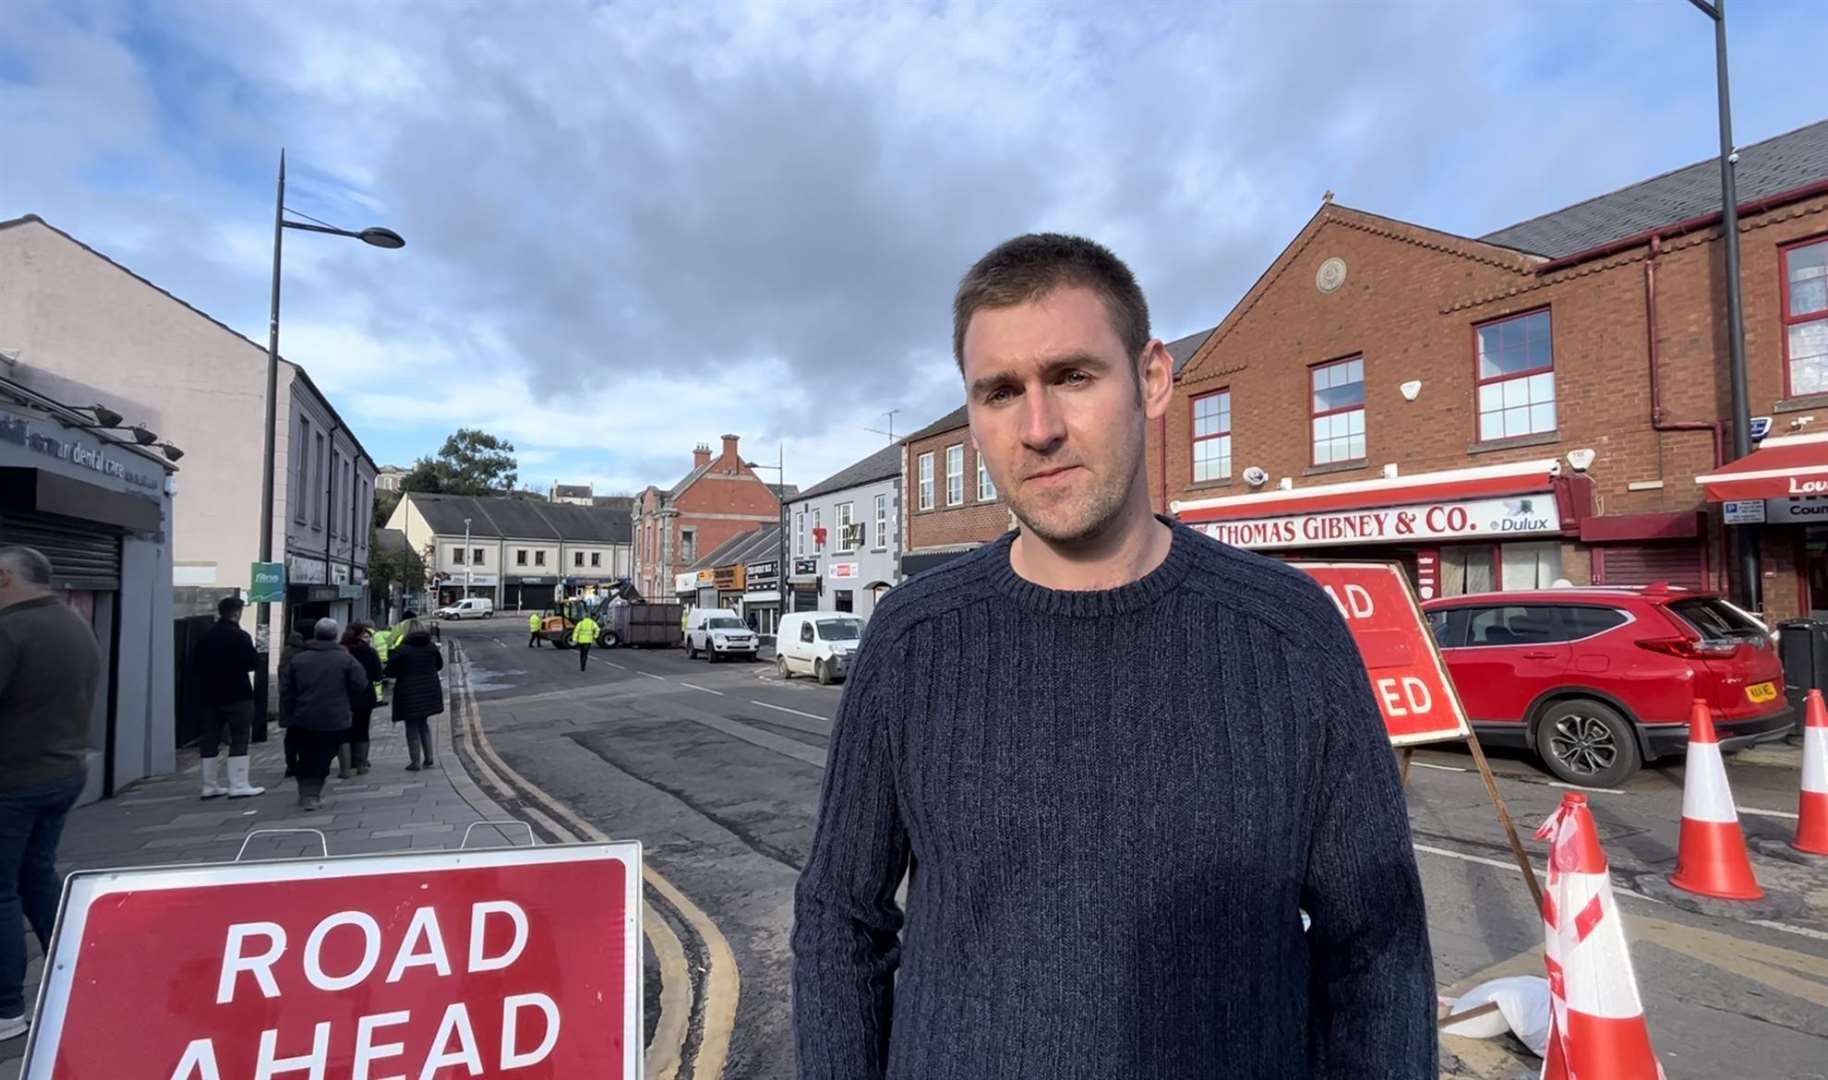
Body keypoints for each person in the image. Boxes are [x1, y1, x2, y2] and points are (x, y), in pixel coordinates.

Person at [791, 235, 1435, 1079]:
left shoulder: (1290, 634)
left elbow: (1377, 951)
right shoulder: (913, 639)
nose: (1039, 428)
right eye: (999, 392)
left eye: (1073, 376)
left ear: (1153, 378)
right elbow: (841, 919)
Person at [0, 547, 101, 1042]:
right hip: (64, 771)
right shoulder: (74, 623)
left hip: (11, 780)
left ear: (4, 578)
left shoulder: (9, 629)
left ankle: (5, 1009)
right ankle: (81, 977)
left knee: (2, 891)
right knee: (37, 877)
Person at [279, 618, 366, 811]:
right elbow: (360, 684)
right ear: (335, 635)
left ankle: (305, 792)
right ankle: (312, 795)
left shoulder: (299, 659)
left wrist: (288, 714)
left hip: (303, 717)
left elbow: (286, 690)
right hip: (334, 718)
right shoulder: (345, 659)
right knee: (323, 757)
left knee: (306, 755)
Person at [187, 595, 265, 798]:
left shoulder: (206, 637)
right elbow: (252, 663)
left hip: (210, 695)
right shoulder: (240, 636)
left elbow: (195, 667)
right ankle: (238, 785)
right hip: (237, 694)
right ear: (237, 612)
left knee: (210, 737)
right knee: (240, 736)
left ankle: (209, 785)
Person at [385, 627, 444, 771]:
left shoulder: (402, 650)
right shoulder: (431, 647)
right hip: (429, 690)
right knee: (424, 724)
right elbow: (439, 665)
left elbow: (389, 671)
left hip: (408, 691)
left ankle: (415, 761)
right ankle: (429, 758)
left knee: (411, 726)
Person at [341, 623, 384, 776]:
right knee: (362, 729)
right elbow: (378, 675)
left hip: (344, 696)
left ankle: (347, 766)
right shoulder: (369, 651)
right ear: (360, 635)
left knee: (346, 731)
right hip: (365, 695)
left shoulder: (342, 651)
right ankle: (362, 763)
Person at [277, 631, 306, 778]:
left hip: (287, 701)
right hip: (299, 700)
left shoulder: (286, 654)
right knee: (303, 734)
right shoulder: (300, 655)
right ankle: (299, 762)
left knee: (291, 735)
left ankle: (291, 764)